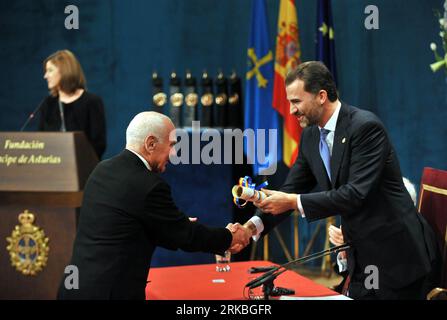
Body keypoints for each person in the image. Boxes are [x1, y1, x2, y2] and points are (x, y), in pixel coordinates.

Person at [235, 61, 438, 299]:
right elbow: (291, 189)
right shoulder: (310, 136)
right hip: (361, 260)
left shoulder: (365, 128)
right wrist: (250, 228)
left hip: (397, 259)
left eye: (296, 101)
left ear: (321, 96)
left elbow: (354, 194)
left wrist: (292, 201)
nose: (291, 111)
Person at [57, 111, 249, 300]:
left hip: (74, 288)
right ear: (150, 144)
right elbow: (187, 237)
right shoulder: (149, 185)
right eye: (171, 145)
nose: (173, 153)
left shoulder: (102, 170)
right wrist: (229, 238)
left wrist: (173, 224)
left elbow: (128, 227)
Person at [39, 49, 106, 159]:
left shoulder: (92, 102)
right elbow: (41, 142)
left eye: (50, 70)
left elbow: (98, 145)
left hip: (85, 170)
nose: (45, 76)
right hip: (51, 170)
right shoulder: (48, 103)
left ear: (65, 71)